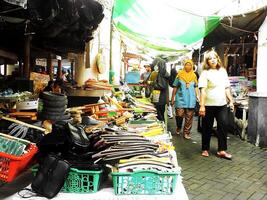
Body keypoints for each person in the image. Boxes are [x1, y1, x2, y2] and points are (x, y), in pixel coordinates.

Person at [198, 49, 234, 159]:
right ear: (207, 62)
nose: (213, 60)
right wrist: (202, 106)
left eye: (214, 58)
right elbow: (203, 90)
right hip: (208, 104)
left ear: (217, 59)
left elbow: (226, 87)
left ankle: (222, 150)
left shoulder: (223, 71)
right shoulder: (205, 73)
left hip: (222, 104)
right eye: (210, 59)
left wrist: (231, 100)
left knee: (223, 126)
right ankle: (205, 148)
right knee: (207, 127)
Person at [171, 59, 199, 139]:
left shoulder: (194, 76)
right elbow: (175, 87)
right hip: (180, 98)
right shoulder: (179, 75)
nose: (188, 66)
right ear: (184, 66)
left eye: (190, 65)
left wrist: (198, 96)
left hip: (191, 99)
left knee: (189, 117)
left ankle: (186, 132)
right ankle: (179, 126)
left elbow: (196, 87)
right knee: (179, 115)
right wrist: (172, 98)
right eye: (186, 64)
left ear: (192, 66)